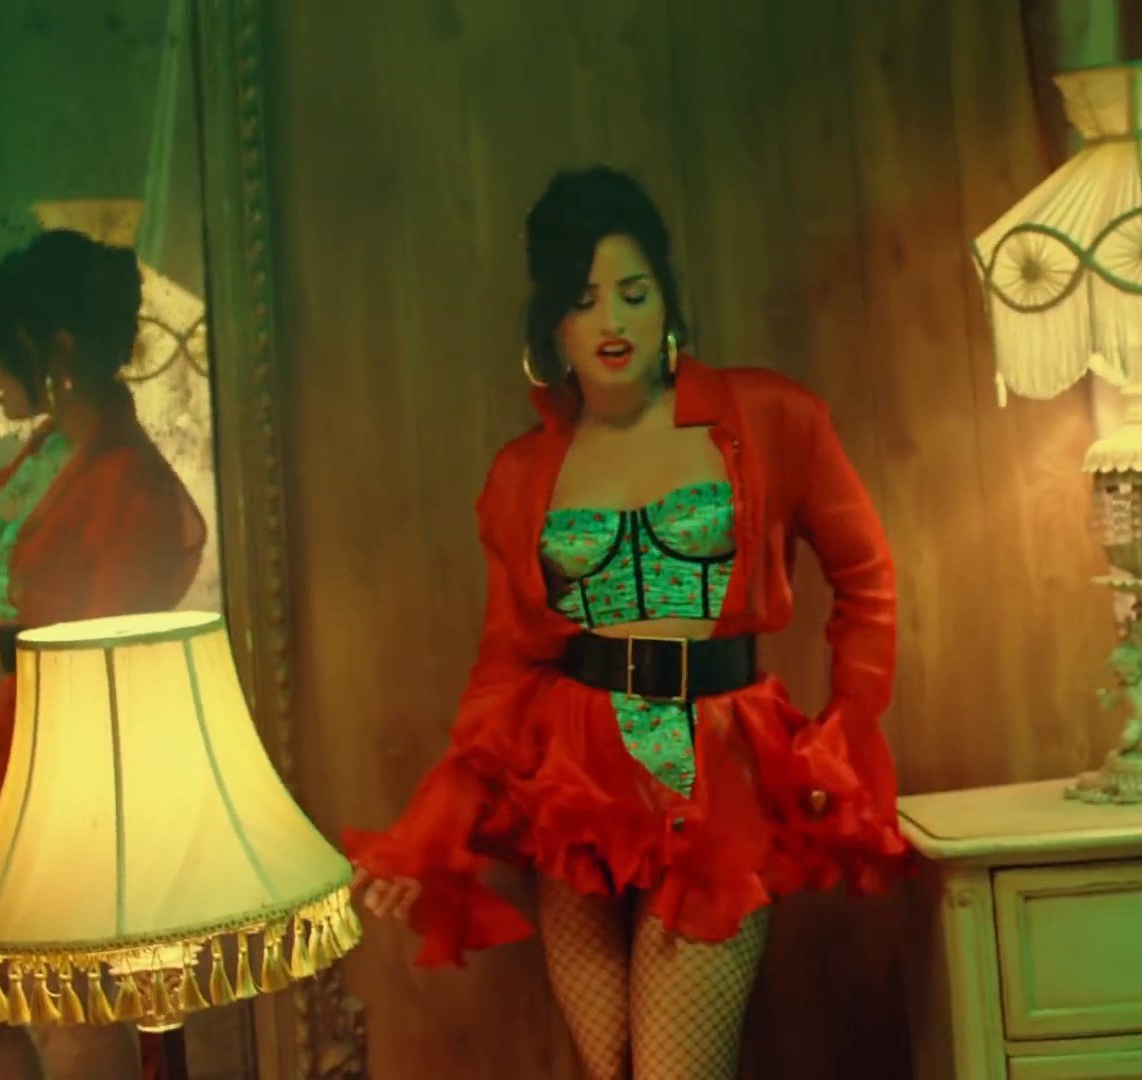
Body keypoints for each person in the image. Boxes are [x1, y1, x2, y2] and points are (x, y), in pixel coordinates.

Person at [345, 166, 912, 1079]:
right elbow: (506, 664)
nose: (612, 320)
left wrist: (849, 723)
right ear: (553, 327)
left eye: (634, 293)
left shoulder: (772, 415)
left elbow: (867, 578)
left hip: (716, 773)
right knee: (611, 1071)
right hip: (576, 783)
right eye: (584, 300)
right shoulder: (523, 473)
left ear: (667, 302)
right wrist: (432, 820)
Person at [0, 230, 206, 1078]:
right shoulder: (53, 451)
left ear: (56, 349)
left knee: (66, 999)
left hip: (74, 749)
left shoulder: (127, 479)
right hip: (13, 729)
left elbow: (103, 641)